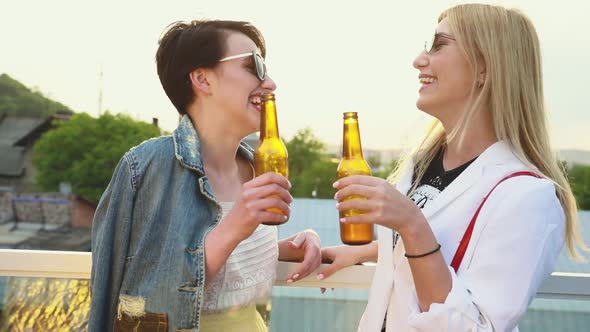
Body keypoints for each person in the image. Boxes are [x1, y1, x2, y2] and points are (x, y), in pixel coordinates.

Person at [319, 4, 587, 331]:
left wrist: (412, 225)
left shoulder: (529, 197)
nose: (418, 60)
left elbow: (476, 326)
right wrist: (368, 252)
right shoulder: (419, 166)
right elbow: (452, 237)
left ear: (485, 67)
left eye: (439, 45)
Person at [89, 20, 321, 332]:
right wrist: (238, 222)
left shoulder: (258, 166)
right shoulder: (145, 166)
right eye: (255, 65)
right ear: (202, 79)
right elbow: (133, 291)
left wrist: (287, 248)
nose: (271, 83)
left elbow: (220, 273)